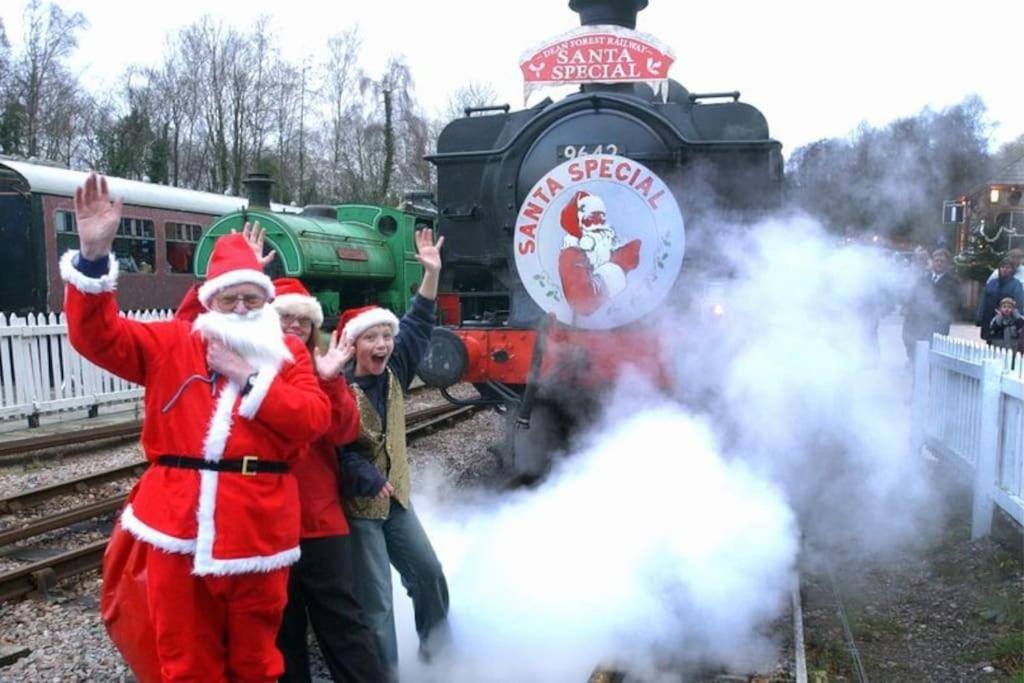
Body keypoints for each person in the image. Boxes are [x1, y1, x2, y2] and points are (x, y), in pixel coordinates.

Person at [63, 173, 331, 682]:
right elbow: (97, 335)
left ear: (265, 303)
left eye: (252, 300)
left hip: (259, 526)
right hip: (174, 524)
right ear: (209, 301)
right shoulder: (173, 343)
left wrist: (248, 378)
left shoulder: (288, 353)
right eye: (229, 299)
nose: (240, 309)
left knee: (256, 663)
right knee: (183, 661)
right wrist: (94, 258)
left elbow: (313, 420)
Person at [339, 228, 450, 681]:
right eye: (372, 338)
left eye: (387, 336)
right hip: (361, 507)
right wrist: (364, 474)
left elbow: (420, 322)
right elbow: (333, 450)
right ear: (354, 345)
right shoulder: (339, 387)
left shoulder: (396, 370)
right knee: (378, 604)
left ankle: (439, 657)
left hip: (398, 499)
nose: (383, 345)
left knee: (429, 575)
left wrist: (431, 275)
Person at [271, 278, 386, 683]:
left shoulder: (324, 367)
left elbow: (344, 431)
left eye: (303, 319)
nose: (295, 325)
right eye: (286, 316)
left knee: (343, 624)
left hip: (319, 517)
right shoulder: (250, 365)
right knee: (283, 632)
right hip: (269, 524)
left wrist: (331, 379)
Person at [901, 247, 960, 360]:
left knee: (933, 356)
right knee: (915, 353)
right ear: (932, 262)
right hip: (919, 323)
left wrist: (942, 317)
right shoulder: (923, 279)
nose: (939, 263)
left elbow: (953, 304)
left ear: (947, 264)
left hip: (938, 325)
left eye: (942, 261)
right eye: (936, 260)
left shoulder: (952, 283)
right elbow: (914, 298)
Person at [976, 258, 1024, 344]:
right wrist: (979, 317)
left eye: (1008, 267)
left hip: (1007, 324)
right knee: (990, 345)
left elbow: (1019, 304)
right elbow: (983, 301)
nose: (1005, 269)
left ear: (1012, 270)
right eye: (1002, 267)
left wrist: (1018, 322)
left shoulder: (1016, 285)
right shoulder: (992, 283)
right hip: (989, 320)